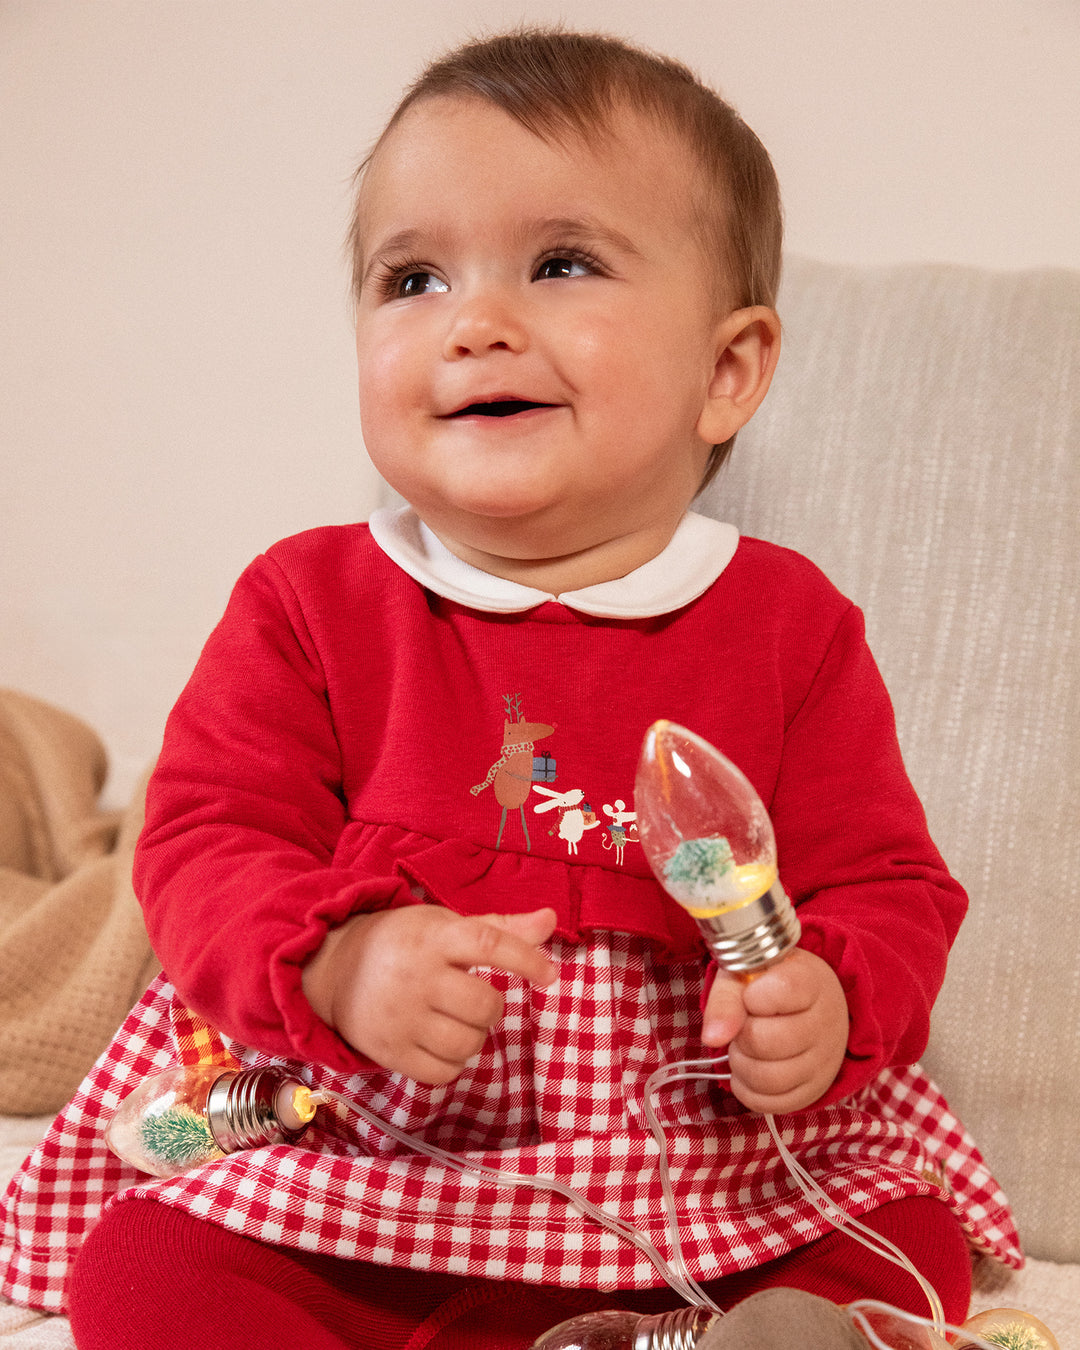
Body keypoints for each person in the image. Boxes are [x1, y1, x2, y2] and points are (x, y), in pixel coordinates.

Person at [0, 27, 1018, 1350]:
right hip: (367, 1158)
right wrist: (341, 960)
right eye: (412, 276)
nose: (474, 321)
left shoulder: (787, 625)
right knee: (143, 1268)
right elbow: (205, 841)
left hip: (698, 1172)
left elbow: (886, 877)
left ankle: (747, 1334)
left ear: (727, 371)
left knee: (912, 1239)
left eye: (561, 263)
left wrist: (826, 994)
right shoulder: (312, 603)